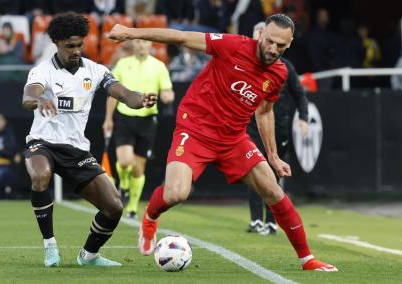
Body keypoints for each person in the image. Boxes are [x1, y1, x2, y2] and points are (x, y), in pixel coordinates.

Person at [108, 13, 338, 271]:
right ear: (260, 34)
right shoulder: (233, 45)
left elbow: (264, 111)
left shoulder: (279, 73)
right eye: (270, 41)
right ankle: (150, 217)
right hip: (195, 128)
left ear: (290, 43)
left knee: (273, 190)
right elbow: (182, 37)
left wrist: (272, 156)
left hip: (233, 139)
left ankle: (307, 259)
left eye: (281, 46)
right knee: (176, 193)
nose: (273, 49)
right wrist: (131, 32)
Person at [22, 12, 157, 268]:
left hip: (76, 150)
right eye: (69, 46)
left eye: (79, 45)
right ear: (57, 44)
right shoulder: (42, 71)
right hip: (43, 143)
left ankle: (89, 255)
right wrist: (39, 100)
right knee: (40, 175)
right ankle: (49, 244)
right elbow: (28, 96)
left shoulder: (95, 71)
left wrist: (140, 99)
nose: (75, 51)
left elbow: (123, 93)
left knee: (114, 207)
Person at [247, 21, 308, 235]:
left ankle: (272, 221)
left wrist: (304, 117)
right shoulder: (243, 63)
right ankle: (256, 220)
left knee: (275, 175)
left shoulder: (285, 68)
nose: (270, 47)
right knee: (254, 173)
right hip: (251, 127)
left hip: (278, 127)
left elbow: (299, 94)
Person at [102, 38, 174, 219]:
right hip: (124, 117)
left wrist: (168, 95)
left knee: (138, 168)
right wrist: (108, 118)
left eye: (145, 42)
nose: (142, 45)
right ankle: (124, 184)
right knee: (125, 161)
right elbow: (113, 93)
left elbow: (166, 90)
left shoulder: (159, 66)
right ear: (133, 45)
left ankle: (132, 205)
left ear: (151, 45)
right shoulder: (123, 64)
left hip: (147, 120)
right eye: (138, 42)